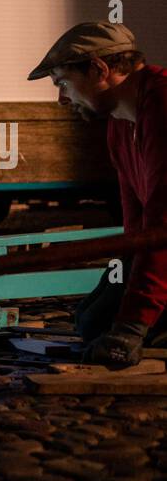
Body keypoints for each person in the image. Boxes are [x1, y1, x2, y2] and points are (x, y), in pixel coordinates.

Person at [28, 22, 167, 367]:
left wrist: (131, 327)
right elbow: (136, 229)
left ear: (99, 69)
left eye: (62, 82)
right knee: (91, 319)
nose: (62, 98)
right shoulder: (119, 125)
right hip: (158, 239)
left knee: (111, 324)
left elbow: (163, 226)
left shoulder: (163, 104)